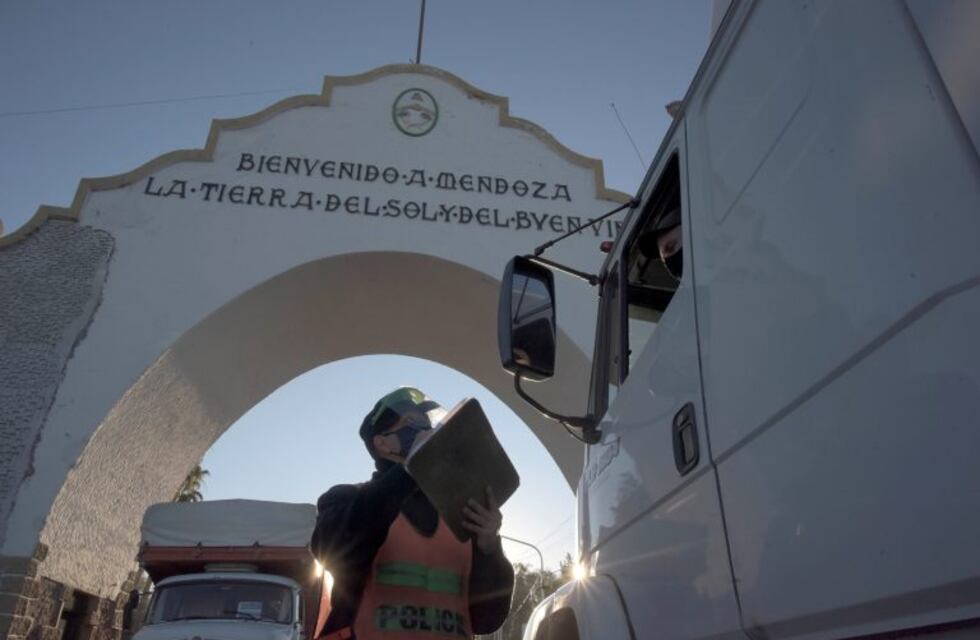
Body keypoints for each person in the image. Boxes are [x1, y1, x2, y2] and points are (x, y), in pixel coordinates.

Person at [311, 387, 514, 639]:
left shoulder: (460, 512)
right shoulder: (346, 499)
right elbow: (332, 548)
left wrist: (489, 550)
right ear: (382, 442)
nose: (424, 429)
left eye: (427, 422)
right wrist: (410, 470)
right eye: (411, 423)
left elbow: (487, 620)